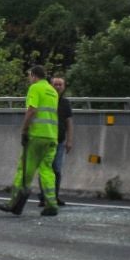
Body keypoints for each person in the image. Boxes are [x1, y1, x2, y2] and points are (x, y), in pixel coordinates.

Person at [0, 65, 60, 217]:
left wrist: (24, 130)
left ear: (33, 75)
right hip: (52, 136)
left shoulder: (35, 88)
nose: (29, 79)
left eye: (29, 76)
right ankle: (51, 204)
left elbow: (32, 110)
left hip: (36, 136)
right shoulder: (53, 91)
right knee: (47, 170)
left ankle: (13, 203)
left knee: (24, 170)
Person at [50, 75, 74, 206]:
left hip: (59, 141)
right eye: (55, 84)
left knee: (57, 170)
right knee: (46, 169)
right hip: (47, 140)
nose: (58, 87)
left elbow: (69, 122)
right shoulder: (47, 100)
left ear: (64, 87)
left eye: (60, 84)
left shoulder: (65, 103)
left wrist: (69, 140)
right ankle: (45, 196)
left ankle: (55, 195)